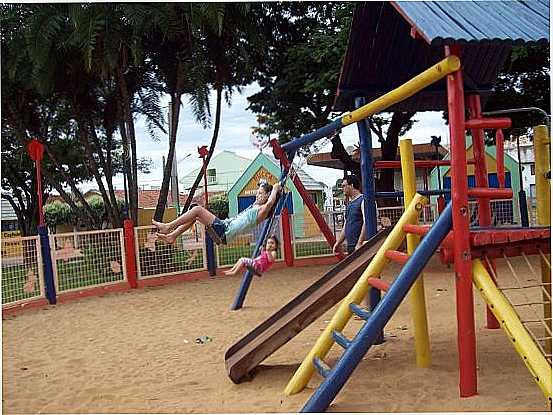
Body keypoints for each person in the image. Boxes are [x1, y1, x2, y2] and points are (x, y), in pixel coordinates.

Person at [153, 182, 281, 245]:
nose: (257, 195)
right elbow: (264, 191)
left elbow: (270, 203)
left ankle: (168, 226)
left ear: (268, 196)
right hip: (224, 227)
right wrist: (266, 186)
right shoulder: (256, 205)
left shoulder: (263, 211)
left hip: (225, 231)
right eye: (257, 192)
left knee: (197, 210)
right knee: (194, 212)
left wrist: (275, 189)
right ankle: (173, 235)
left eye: (260, 193)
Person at [333, 175, 366, 255]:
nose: (342, 188)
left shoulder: (363, 201)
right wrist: (338, 242)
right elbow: (346, 224)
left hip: (360, 246)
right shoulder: (349, 204)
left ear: (351, 186)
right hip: (351, 246)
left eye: (344, 186)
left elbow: (366, 222)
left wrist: (360, 243)